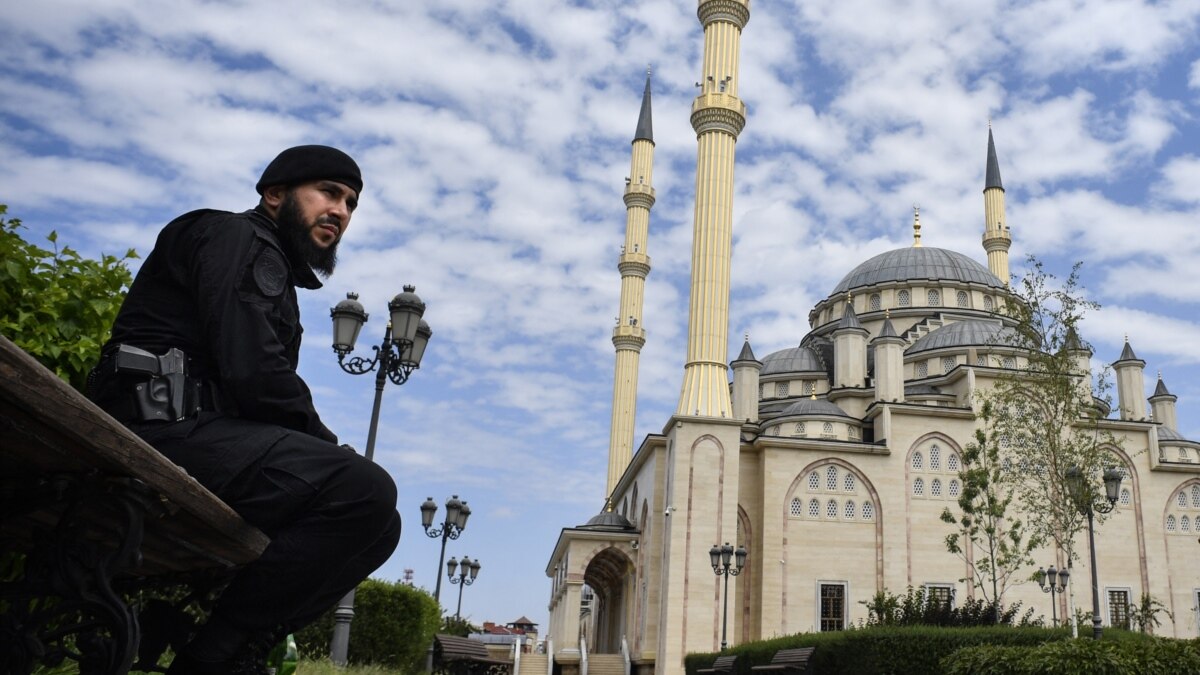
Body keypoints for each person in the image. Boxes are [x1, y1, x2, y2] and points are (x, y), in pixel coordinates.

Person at [88, 145, 401, 674]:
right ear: (275, 194)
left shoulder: (267, 260)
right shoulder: (237, 237)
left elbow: (255, 385)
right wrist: (330, 450)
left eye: (350, 203)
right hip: (156, 431)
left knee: (381, 523)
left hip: (198, 435)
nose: (341, 212)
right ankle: (213, 657)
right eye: (328, 192)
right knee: (363, 490)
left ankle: (240, 645)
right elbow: (255, 372)